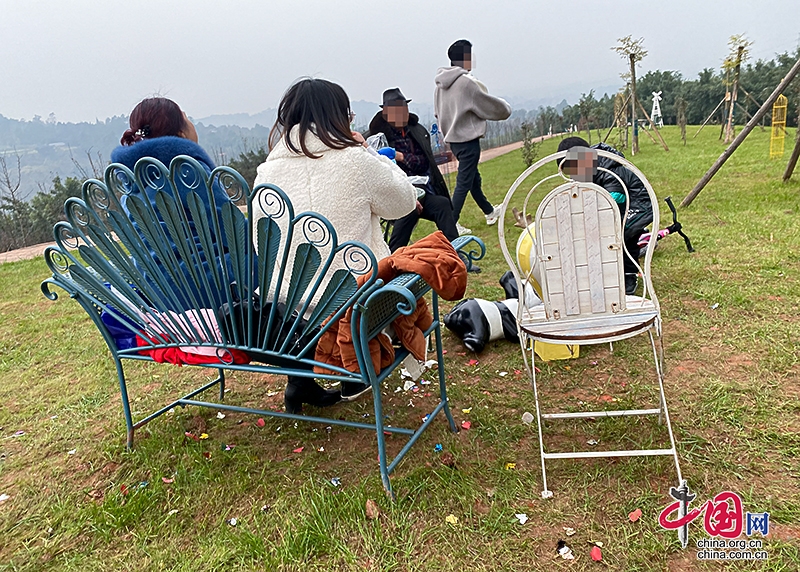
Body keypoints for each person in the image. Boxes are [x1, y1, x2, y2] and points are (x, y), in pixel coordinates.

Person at [252, 78, 417, 411]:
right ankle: (354, 368)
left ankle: (299, 382)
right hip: (350, 309)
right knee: (416, 262)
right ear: (341, 117)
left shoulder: (266, 172)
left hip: (283, 314)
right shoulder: (353, 159)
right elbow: (404, 203)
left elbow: (263, 244)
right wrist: (368, 150)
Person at [111, 97, 241, 312]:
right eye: (187, 118)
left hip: (163, 297)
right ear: (181, 133)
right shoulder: (186, 170)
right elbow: (233, 230)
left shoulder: (132, 187)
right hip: (211, 287)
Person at [556, 136, 654, 295]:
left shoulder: (609, 172)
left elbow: (615, 200)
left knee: (622, 235)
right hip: (618, 205)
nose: (573, 174)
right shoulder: (587, 172)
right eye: (569, 170)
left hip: (637, 206)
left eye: (575, 168)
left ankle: (629, 274)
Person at [367, 88, 459, 253]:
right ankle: (392, 258)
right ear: (386, 113)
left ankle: (457, 253)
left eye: (403, 109)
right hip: (393, 194)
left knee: (442, 205)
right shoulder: (375, 138)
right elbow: (376, 172)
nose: (401, 114)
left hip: (422, 190)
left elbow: (424, 163)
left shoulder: (417, 132)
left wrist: (400, 156)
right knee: (408, 210)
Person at [434, 39, 511, 234]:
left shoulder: (440, 85)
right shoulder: (466, 83)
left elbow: (437, 113)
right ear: (465, 57)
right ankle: (450, 224)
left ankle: (490, 212)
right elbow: (490, 106)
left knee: (472, 180)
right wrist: (506, 108)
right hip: (468, 141)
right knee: (464, 182)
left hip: (453, 140)